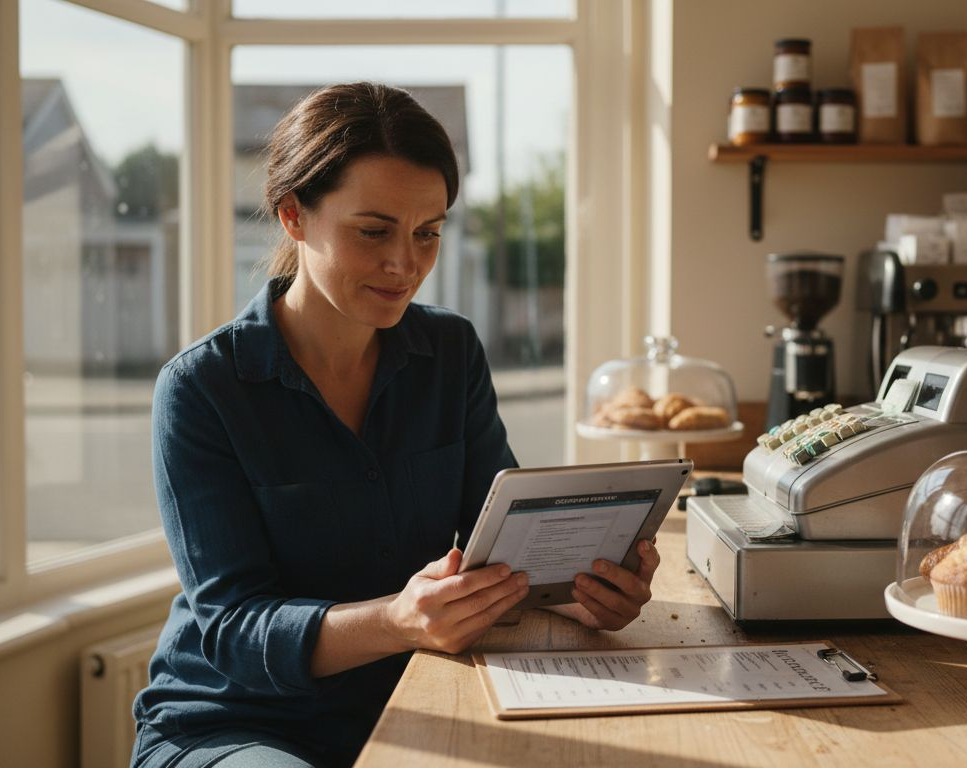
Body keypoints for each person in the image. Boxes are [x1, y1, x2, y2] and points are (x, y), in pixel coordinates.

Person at [131, 82, 661, 768]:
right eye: (374, 231)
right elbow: (235, 630)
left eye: (428, 233)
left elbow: (498, 547)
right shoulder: (202, 388)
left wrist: (584, 595)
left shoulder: (450, 353)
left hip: (418, 696)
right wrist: (397, 620)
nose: (405, 264)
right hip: (238, 722)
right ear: (294, 216)